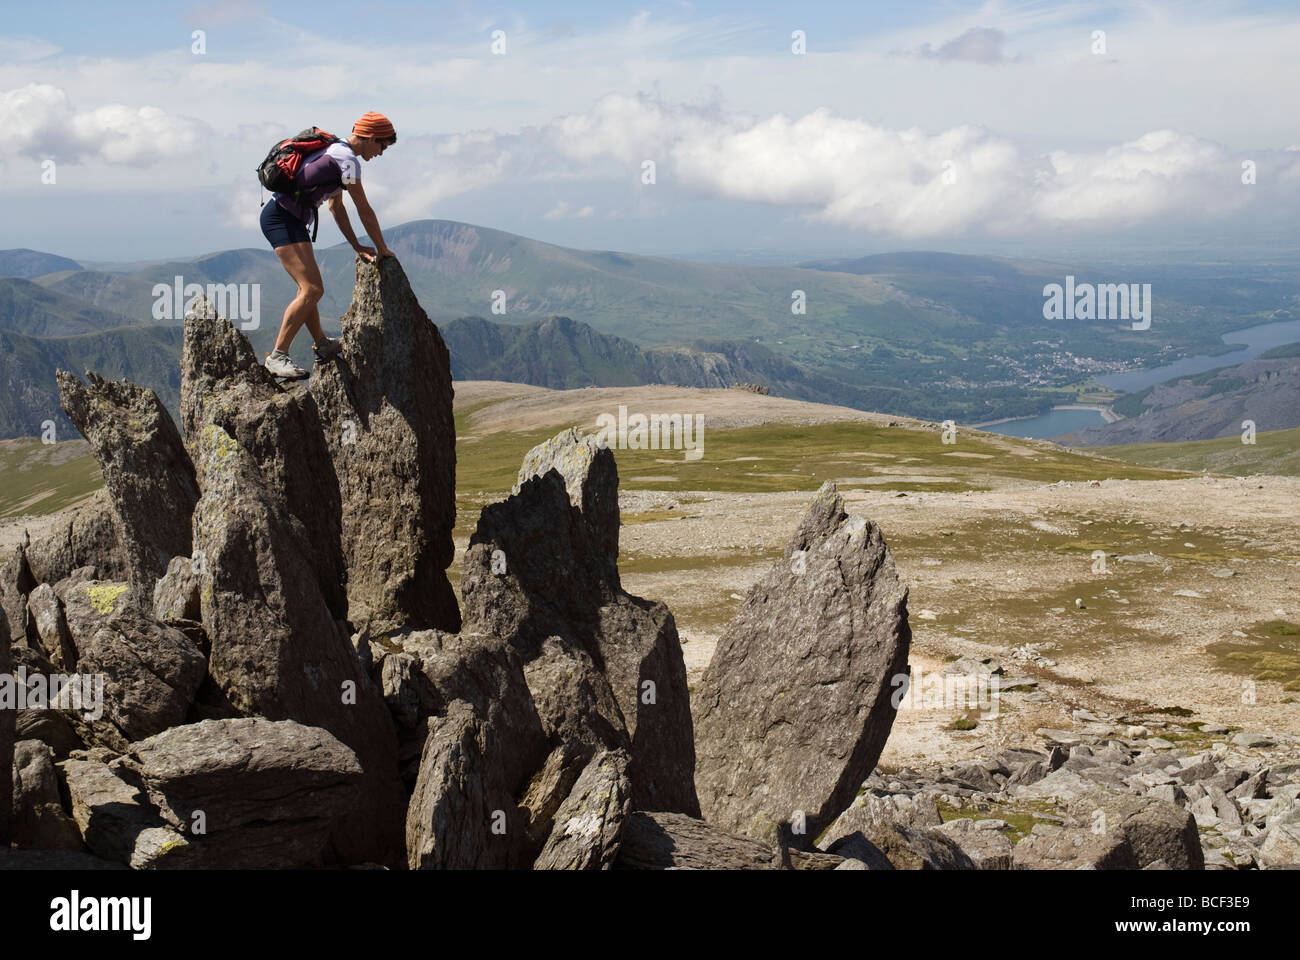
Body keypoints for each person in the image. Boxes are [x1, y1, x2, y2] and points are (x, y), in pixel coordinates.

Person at [259, 111, 398, 379]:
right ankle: (277, 357)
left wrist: (357, 244)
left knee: (308, 289)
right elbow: (364, 210)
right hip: (282, 219)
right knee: (311, 289)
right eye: (381, 145)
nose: (381, 153)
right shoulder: (346, 160)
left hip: (290, 218)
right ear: (370, 137)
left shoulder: (335, 151)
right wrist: (382, 248)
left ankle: (322, 344)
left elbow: (337, 207)